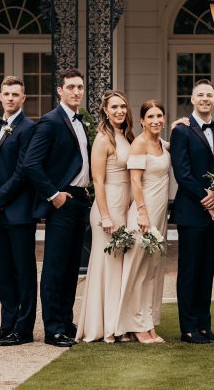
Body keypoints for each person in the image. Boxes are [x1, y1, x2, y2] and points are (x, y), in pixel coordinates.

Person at [22, 67, 92, 348]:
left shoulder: (80, 121)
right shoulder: (50, 122)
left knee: (71, 267)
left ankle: (65, 320)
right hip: (62, 201)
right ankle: (53, 329)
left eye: (80, 87)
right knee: (55, 268)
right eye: (71, 87)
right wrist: (53, 194)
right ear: (60, 91)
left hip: (79, 200)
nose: (76, 92)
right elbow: (30, 164)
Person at [169, 79, 214, 344]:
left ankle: (205, 326)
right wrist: (207, 199)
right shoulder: (182, 131)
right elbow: (182, 173)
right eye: (200, 95)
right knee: (189, 271)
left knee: (207, 270)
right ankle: (188, 328)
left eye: (209, 95)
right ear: (192, 100)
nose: (205, 98)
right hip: (191, 211)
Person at [0, 76, 37, 346]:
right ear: (0, 97)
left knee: (23, 272)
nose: (11, 98)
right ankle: (6, 324)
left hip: (19, 211)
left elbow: (24, 171)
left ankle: (23, 330)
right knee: (3, 270)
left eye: (16, 94)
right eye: (6, 94)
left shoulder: (29, 128)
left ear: (23, 98)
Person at [77, 90, 134, 343]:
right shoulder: (103, 139)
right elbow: (97, 181)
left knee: (120, 267)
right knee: (107, 266)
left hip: (125, 205)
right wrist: (105, 215)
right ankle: (104, 326)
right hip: (108, 204)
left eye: (123, 107)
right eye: (114, 107)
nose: (120, 111)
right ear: (106, 111)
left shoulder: (126, 136)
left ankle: (119, 322)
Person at [117, 100, 171, 344]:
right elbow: (135, 182)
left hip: (160, 213)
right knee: (137, 268)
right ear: (141, 120)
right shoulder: (138, 144)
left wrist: (182, 124)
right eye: (150, 116)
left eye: (159, 115)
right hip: (144, 212)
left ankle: (147, 322)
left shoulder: (161, 143)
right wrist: (141, 212)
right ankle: (134, 324)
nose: (156, 120)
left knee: (152, 269)